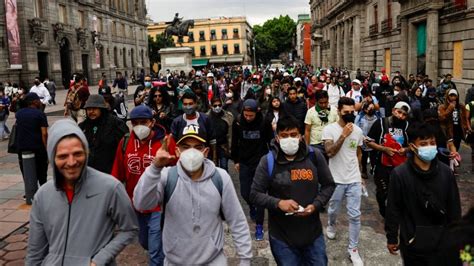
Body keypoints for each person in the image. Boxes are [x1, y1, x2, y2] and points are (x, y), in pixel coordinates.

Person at [133, 124, 252, 265]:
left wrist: (245, 259)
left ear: (206, 151)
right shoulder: (167, 177)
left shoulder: (220, 177)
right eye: (185, 146)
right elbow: (141, 203)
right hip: (175, 261)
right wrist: (154, 168)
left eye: (198, 147)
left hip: (213, 260)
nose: (191, 152)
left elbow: (236, 219)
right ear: (177, 151)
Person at [26, 119, 139, 265]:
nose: (72, 162)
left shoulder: (110, 187)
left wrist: (101, 258)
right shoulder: (42, 195)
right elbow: (35, 251)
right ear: (52, 158)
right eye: (62, 156)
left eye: (77, 154)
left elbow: (130, 229)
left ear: (86, 152)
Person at [250, 116, 335, 265]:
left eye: (294, 135)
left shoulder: (314, 156)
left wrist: (316, 205)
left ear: (301, 136)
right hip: (282, 238)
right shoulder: (268, 161)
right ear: (277, 138)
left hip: (312, 235)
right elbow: (255, 194)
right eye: (284, 135)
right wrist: (278, 203)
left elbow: (329, 185)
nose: (289, 139)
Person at [385, 122, 461, 265]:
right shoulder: (400, 174)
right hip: (413, 245)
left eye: (432, 143)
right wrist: (392, 237)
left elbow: (454, 208)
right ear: (412, 147)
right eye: (424, 143)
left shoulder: (446, 173)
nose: (429, 147)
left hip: (441, 243)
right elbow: (393, 208)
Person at [111, 105, 176, 266]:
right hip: (135, 203)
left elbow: (177, 169)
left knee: (154, 249)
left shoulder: (165, 142)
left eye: (143, 122)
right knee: (145, 242)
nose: (139, 126)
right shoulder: (125, 142)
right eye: (135, 123)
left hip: (158, 204)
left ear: (152, 122)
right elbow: (117, 172)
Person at [322, 97, 365, 266]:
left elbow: (359, 152)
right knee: (333, 209)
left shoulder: (359, 131)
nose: (349, 115)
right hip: (336, 179)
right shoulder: (329, 130)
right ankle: (331, 225)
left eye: (352, 112)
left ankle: (353, 250)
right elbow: (329, 152)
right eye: (346, 112)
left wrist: (359, 173)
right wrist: (343, 135)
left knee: (355, 215)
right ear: (339, 111)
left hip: (353, 178)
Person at [231, 99, 273, 241]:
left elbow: (270, 141)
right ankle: (252, 206)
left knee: (259, 195)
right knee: (245, 192)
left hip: (261, 162)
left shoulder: (264, 122)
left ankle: (259, 226)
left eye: (251, 115)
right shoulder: (237, 122)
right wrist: (236, 160)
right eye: (246, 115)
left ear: (257, 112)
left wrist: (271, 159)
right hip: (244, 161)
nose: (248, 118)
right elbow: (234, 142)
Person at [366, 101, 411, 217]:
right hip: (381, 165)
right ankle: (383, 208)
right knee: (382, 192)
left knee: (398, 191)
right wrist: (383, 149)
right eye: (399, 112)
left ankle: (393, 213)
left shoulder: (407, 126)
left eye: (404, 114)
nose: (400, 116)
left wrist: (405, 150)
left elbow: (414, 145)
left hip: (399, 165)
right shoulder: (381, 123)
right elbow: (368, 142)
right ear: (393, 110)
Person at [79, 95, 128, 174]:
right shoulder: (83, 126)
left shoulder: (115, 124)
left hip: (110, 171)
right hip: (89, 172)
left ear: (101, 109)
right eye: (88, 109)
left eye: (94, 108)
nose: (91, 111)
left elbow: (125, 147)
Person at [15, 93, 48, 204]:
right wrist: (46, 149)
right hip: (38, 147)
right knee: (42, 171)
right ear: (34, 102)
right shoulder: (40, 114)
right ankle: (44, 193)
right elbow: (44, 133)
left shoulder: (19, 114)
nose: (40, 101)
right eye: (38, 99)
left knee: (26, 170)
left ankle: (29, 192)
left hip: (22, 148)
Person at [170, 92, 216, 161]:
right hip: (184, 159)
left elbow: (212, 141)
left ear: (196, 104)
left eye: (190, 104)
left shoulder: (205, 119)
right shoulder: (177, 122)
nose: (188, 107)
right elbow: (174, 143)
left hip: (203, 158)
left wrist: (214, 159)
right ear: (182, 105)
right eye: (185, 104)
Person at [304, 90, 338, 156]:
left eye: (325, 102)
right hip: (315, 145)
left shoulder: (334, 111)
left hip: (331, 143)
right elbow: (307, 131)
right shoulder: (310, 112)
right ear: (316, 101)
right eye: (321, 103)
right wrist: (307, 148)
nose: (323, 105)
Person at [207, 97, 234, 171]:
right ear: (211, 106)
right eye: (215, 105)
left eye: (219, 105)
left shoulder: (228, 116)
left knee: (224, 167)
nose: (217, 107)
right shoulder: (207, 117)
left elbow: (231, 132)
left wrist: (231, 148)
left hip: (223, 146)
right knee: (213, 168)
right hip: (212, 147)